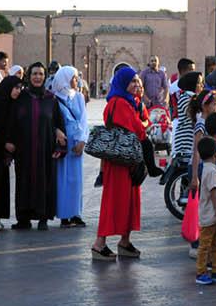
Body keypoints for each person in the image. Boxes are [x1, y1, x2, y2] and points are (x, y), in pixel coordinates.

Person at [92, 64, 147, 259]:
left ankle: (125, 241)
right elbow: (135, 129)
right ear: (122, 82)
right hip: (119, 163)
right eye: (132, 81)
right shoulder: (119, 103)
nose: (135, 84)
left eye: (136, 81)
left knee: (129, 202)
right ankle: (99, 244)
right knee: (114, 201)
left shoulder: (130, 102)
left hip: (128, 161)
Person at [9, 61, 64, 230]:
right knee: (23, 182)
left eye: (41, 74)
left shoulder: (51, 99)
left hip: (45, 150)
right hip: (24, 150)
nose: (37, 77)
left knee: (44, 181)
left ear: (45, 76)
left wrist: (59, 146)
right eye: (34, 74)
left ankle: (43, 217)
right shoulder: (21, 98)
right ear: (28, 76)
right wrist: (9, 142)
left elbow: (58, 124)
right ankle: (23, 218)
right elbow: (12, 122)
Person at [51, 66, 89, 228]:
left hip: (76, 142)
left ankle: (75, 213)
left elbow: (84, 120)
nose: (76, 81)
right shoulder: (54, 99)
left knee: (76, 180)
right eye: (73, 78)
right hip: (63, 143)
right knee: (62, 179)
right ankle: (64, 215)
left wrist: (82, 140)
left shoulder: (79, 97)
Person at [0, 66, 23, 227]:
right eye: (16, 88)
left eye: (20, 88)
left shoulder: (11, 105)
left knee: (1, 184)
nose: (18, 91)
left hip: (3, 153)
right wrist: (5, 142)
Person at [192, 136, 216, 284]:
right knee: (207, 245)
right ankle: (201, 272)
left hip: (211, 215)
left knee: (214, 244)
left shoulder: (209, 169)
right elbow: (213, 192)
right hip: (213, 216)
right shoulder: (211, 172)